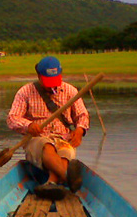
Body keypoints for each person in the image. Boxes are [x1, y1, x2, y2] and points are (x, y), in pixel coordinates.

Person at [7, 56, 90, 199]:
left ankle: (51, 182)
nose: (52, 87)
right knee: (47, 146)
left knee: (66, 152)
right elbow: (12, 118)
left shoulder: (70, 91)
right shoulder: (25, 92)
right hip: (37, 139)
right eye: (47, 82)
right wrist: (28, 125)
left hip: (63, 138)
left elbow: (82, 115)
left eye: (54, 81)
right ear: (39, 76)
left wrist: (80, 130)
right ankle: (67, 177)